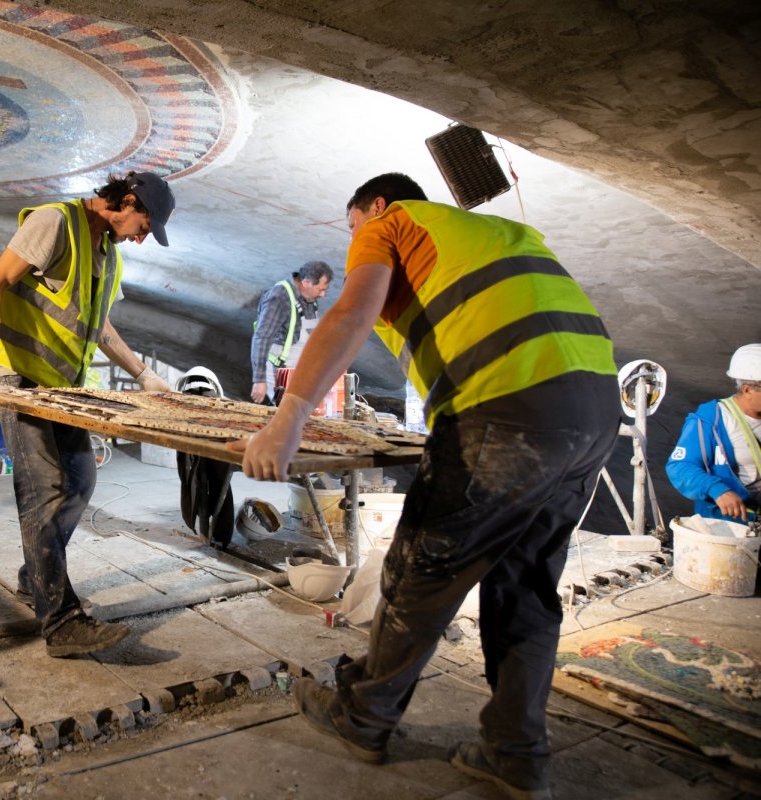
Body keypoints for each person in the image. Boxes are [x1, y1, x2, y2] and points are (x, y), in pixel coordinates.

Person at [230, 173, 618, 800]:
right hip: (595, 412)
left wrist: (288, 420)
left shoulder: (391, 224)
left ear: (376, 207)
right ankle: (516, 756)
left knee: (420, 572)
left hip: (506, 409)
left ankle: (361, 717)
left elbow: (352, 313)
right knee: (524, 586)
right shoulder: (498, 232)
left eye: (352, 225)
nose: (354, 240)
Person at [0, 171, 175, 657]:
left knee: (80, 483)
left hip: (59, 387)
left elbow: (100, 327)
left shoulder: (107, 253)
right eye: (145, 224)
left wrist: (143, 374)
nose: (143, 236)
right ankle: (62, 624)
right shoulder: (56, 222)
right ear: (128, 200)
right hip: (18, 379)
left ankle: (35, 577)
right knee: (44, 490)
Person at [666, 343, 761, 522]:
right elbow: (680, 467)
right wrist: (718, 490)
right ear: (747, 390)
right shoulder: (713, 419)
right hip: (730, 526)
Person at [249, 260, 334, 403]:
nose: (323, 294)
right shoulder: (278, 297)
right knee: (289, 413)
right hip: (281, 371)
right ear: (306, 282)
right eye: (320, 290)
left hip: (301, 368)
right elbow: (261, 338)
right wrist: (259, 380)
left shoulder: (309, 297)